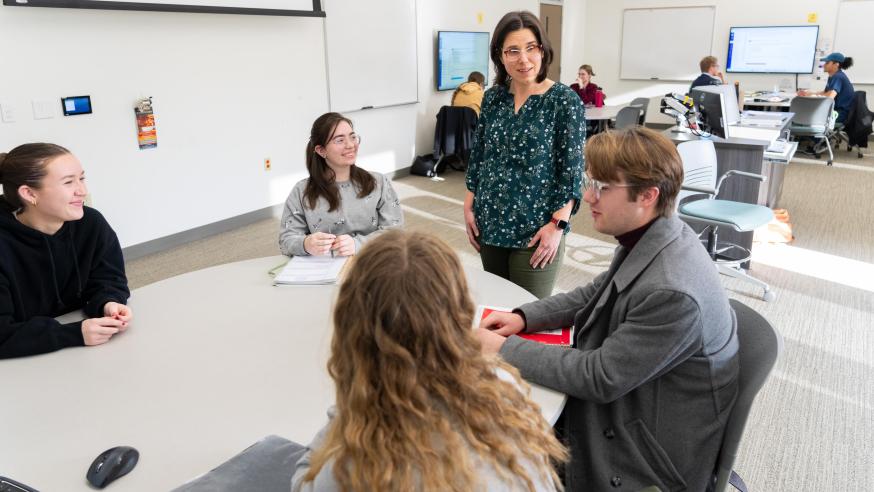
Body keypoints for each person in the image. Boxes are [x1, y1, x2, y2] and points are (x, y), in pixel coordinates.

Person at [477, 127, 739, 491]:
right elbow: (596, 292)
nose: (588, 196)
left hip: (646, 452)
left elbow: (599, 377)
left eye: (602, 186)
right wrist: (524, 317)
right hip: (636, 402)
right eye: (591, 182)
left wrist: (502, 348)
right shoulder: (654, 234)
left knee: (492, 440)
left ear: (647, 195)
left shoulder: (673, 291)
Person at [291, 230, 567, 491]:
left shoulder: (356, 456)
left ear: (353, 328)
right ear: (459, 313)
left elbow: (303, 481)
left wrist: (353, 398)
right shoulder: (504, 385)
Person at [464, 11, 585, 299]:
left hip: (537, 227)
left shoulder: (564, 101)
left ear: (543, 50)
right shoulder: (493, 97)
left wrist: (558, 225)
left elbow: (571, 171)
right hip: (489, 221)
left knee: (528, 315)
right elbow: (480, 154)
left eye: (531, 48)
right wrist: (469, 204)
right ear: (500, 56)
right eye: (513, 51)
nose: (524, 59)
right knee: (495, 309)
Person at [0, 143, 132, 359]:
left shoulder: (92, 223)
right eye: (69, 182)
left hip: (83, 356)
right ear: (29, 193)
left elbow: (109, 278)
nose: (82, 191)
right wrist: (71, 334)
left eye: (82, 178)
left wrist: (109, 302)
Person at [279, 112, 403, 257]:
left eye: (352, 137)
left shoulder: (378, 182)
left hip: (371, 264)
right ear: (321, 150)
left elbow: (395, 233)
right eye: (340, 140)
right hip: (323, 271)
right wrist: (306, 244)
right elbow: (286, 241)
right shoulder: (302, 191)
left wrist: (358, 244)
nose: (350, 145)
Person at [798, 52, 855, 124]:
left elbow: (830, 96)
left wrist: (814, 96)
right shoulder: (834, 76)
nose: (824, 65)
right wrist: (810, 93)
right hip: (836, 111)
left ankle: (806, 134)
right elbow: (826, 93)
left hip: (839, 114)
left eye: (827, 63)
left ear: (836, 64)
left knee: (804, 115)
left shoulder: (838, 77)